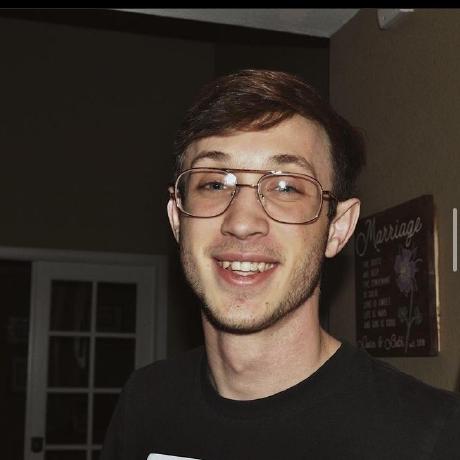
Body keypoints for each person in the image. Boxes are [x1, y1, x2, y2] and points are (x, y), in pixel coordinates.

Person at [101, 69, 460, 460]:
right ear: (177, 218)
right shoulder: (145, 403)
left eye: (287, 187)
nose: (242, 222)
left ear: (337, 228)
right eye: (214, 183)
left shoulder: (433, 436)